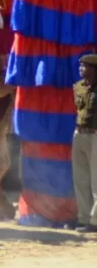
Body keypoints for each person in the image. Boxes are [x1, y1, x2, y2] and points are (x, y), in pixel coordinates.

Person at [72, 53, 97, 233]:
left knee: (96, 181)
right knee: (80, 179)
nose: (81, 69)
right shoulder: (78, 87)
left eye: (84, 66)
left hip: (96, 136)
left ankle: (95, 222)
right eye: (80, 66)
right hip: (79, 134)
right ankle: (84, 219)